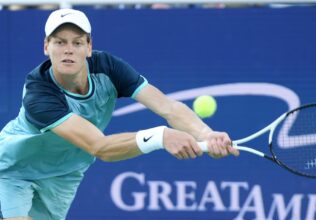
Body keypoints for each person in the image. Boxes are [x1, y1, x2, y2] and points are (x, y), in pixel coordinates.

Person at [0, 8, 239, 220]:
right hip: (13, 169)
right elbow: (99, 147)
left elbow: (168, 107)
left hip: (64, 175)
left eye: (77, 42)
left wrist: (207, 135)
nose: (68, 50)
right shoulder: (38, 93)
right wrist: (160, 137)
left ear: (89, 47)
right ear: (46, 46)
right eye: (60, 42)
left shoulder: (109, 68)